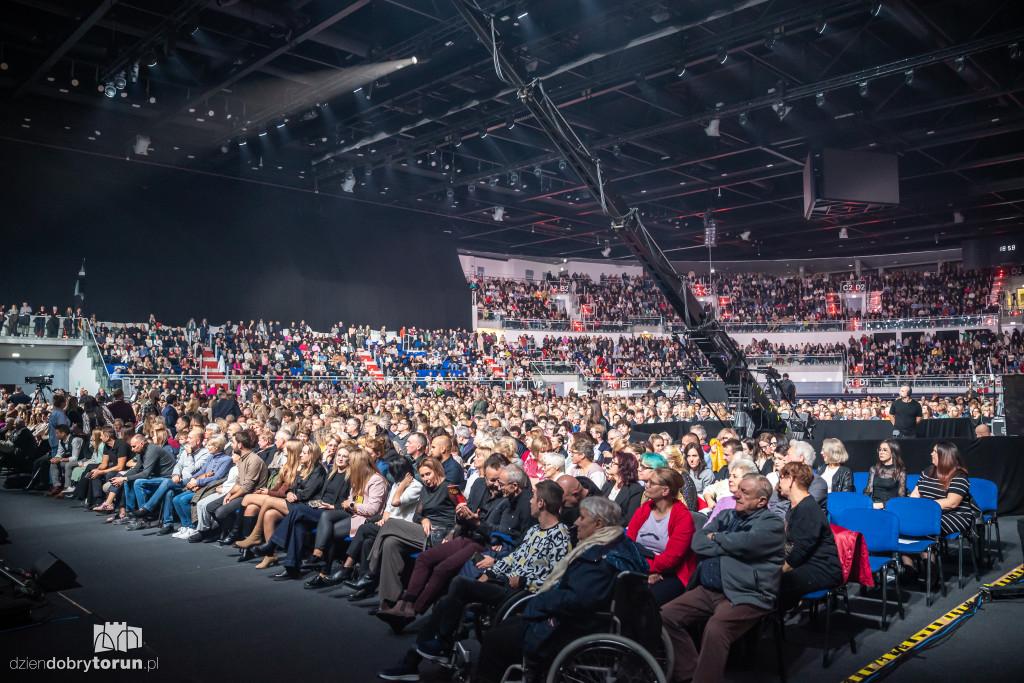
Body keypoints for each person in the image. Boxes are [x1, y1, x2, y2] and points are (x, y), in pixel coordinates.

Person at [378, 480, 571, 681]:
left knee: (459, 583)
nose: (530, 501)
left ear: (541, 503)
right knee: (445, 601)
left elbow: (554, 577)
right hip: (499, 576)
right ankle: (411, 661)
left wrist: (522, 581)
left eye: (533, 498)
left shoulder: (560, 535)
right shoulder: (534, 531)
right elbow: (514, 558)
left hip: (519, 593)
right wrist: (492, 570)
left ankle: (439, 645)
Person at [474, 496, 648, 683]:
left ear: (598, 524)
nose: (576, 522)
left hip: (577, 626)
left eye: (581, 517)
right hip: (591, 618)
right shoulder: (621, 544)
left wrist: (539, 603)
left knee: (495, 640)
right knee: (506, 626)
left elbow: (579, 599)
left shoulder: (599, 558)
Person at [661, 474, 786, 683]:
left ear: (762, 501)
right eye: (738, 489)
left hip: (747, 593)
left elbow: (748, 542)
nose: (736, 494)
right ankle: (690, 673)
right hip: (710, 589)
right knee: (666, 616)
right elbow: (698, 542)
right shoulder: (726, 515)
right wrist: (731, 547)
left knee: (716, 629)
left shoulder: (772, 522)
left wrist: (718, 538)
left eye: (745, 492)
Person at [626, 467, 697, 605]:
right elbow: (629, 542)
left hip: (671, 573)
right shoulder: (644, 509)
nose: (646, 485)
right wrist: (643, 569)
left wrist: (648, 569)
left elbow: (672, 557)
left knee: (645, 599)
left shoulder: (683, 517)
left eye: (651, 483)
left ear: (665, 491)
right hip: (640, 566)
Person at [777, 463, 843, 608]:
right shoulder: (795, 506)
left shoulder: (807, 509)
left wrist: (779, 571)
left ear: (791, 479)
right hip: (806, 563)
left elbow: (801, 551)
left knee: (772, 581)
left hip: (823, 569)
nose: (779, 483)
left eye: (781, 478)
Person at [769, 440, 827, 517]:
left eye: (788, 455)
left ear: (800, 458)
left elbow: (803, 508)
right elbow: (772, 503)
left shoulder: (818, 483)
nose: (784, 459)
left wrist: (782, 513)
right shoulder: (785, 479)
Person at [600, 450, 645, 524]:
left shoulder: (635, 490)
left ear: (623, 467)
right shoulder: (607, 486)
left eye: (613, 463)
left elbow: (630, 518)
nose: (610, 464)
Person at [863, 440, 907, 509]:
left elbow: (900, 498)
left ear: (893, 453)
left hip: (889, 506)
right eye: (880, 450)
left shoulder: (900, 472)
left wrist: (883, 505)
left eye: (885, 450)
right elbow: (868, 491)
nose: (881, 452)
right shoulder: (873, 469)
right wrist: (867, 504)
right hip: (873, 505)